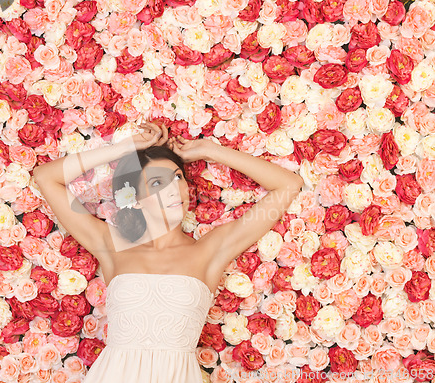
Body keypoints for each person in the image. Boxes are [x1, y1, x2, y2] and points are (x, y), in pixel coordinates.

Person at [32, 122, 304, 383]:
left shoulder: (209, 251)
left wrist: (211, 150)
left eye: (177, 178)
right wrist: (120, 150)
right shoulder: (112, 245)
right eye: (158, 183)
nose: (174, 189)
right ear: (135, 200)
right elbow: (46, 177)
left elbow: (287, 186)